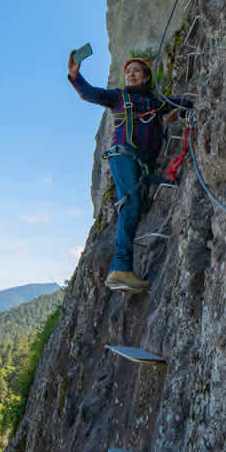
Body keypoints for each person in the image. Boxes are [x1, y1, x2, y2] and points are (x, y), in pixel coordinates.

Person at [68, 52, 187, 292]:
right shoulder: (118, 97)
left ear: (145, 77)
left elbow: (180, 102)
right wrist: (75, 76)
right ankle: (120, 268)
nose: (131, 74)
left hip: (142, 163)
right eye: (128, 71)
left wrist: (185, 109)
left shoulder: (156, 102)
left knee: (136, 208)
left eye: (136, 71)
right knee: (130, 204)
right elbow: (91, 94)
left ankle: (121, 269)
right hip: (123, 155)